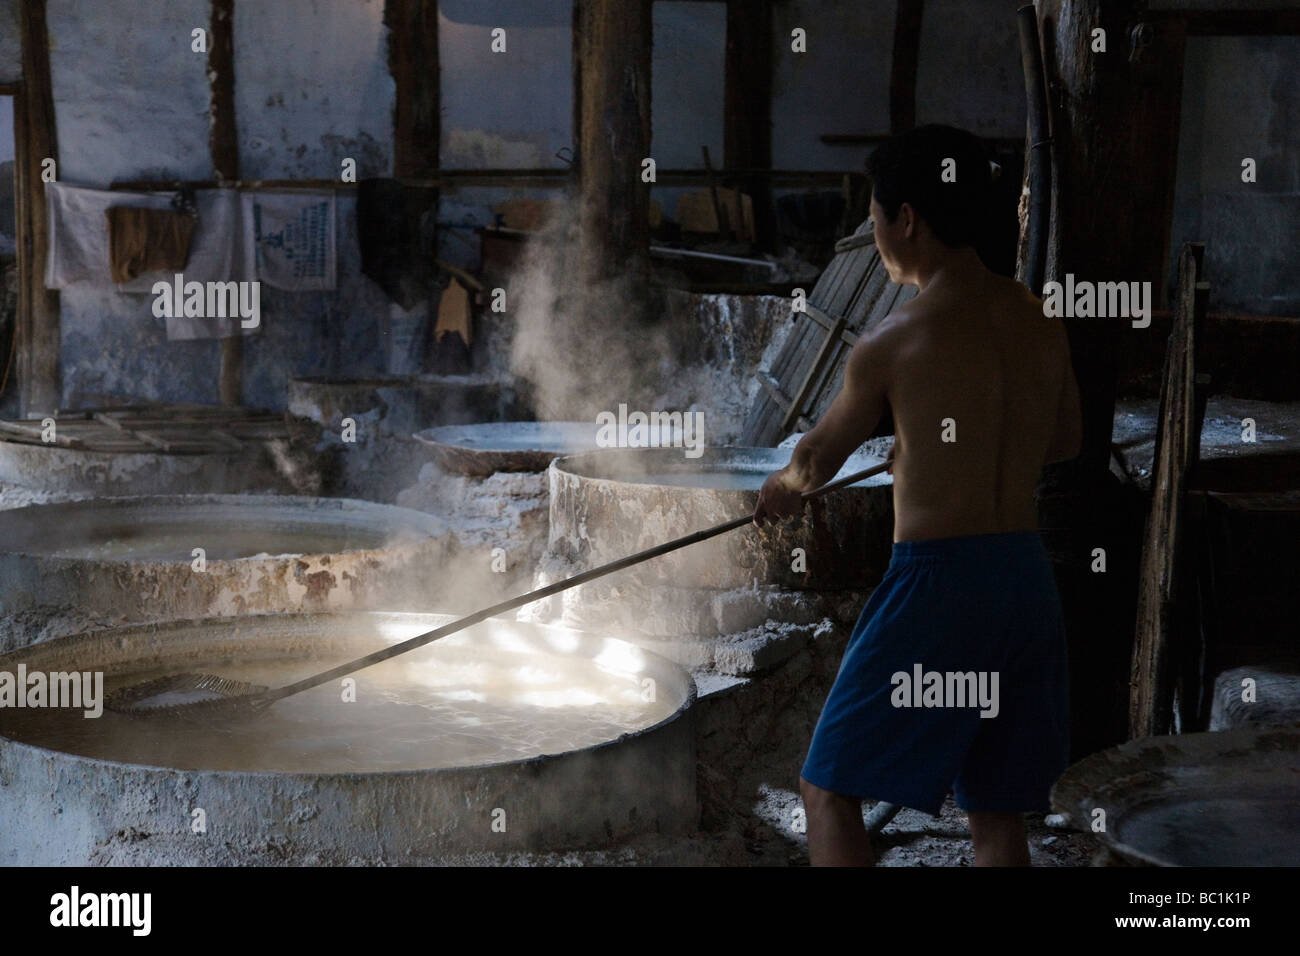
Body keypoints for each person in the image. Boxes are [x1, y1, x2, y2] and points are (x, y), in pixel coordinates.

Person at [754, 125, 1082, 866]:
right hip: (1026, 584)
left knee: (828, 790)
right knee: (996, 814)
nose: (873, 236)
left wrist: (781, 492)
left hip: (941, 588)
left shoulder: (893, 340)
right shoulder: (1040, 319)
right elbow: (1064, 441)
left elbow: (814, 460)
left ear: (910, 218)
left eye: (874, 219)